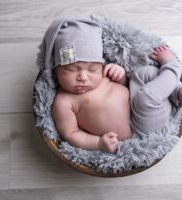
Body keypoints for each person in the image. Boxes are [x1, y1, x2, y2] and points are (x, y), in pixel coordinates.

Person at [49, 17, 132, 154]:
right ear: (56, 70)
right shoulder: (64, 101)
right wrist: (98, 143)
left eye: (92, 69)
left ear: (101, 65)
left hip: (144, 110)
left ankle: (177, 92)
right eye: (71, 69)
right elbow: (71, 134)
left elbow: (129, 87)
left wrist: (121, 75)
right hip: (121, 142)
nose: (83, 77)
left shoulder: (105, 74)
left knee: (146, 76)